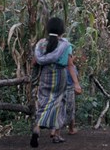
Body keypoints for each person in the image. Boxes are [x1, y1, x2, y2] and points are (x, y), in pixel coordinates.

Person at [30, 17, 82, 148]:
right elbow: (70, 65)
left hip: (45, 75)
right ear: (62, 30)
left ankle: (37, 128)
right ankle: (57, 135)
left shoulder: (41, 43)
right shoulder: (65, 45)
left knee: (44, 101)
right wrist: (76, 83)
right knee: (60, 102)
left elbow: (35, 61)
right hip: (60, 75)